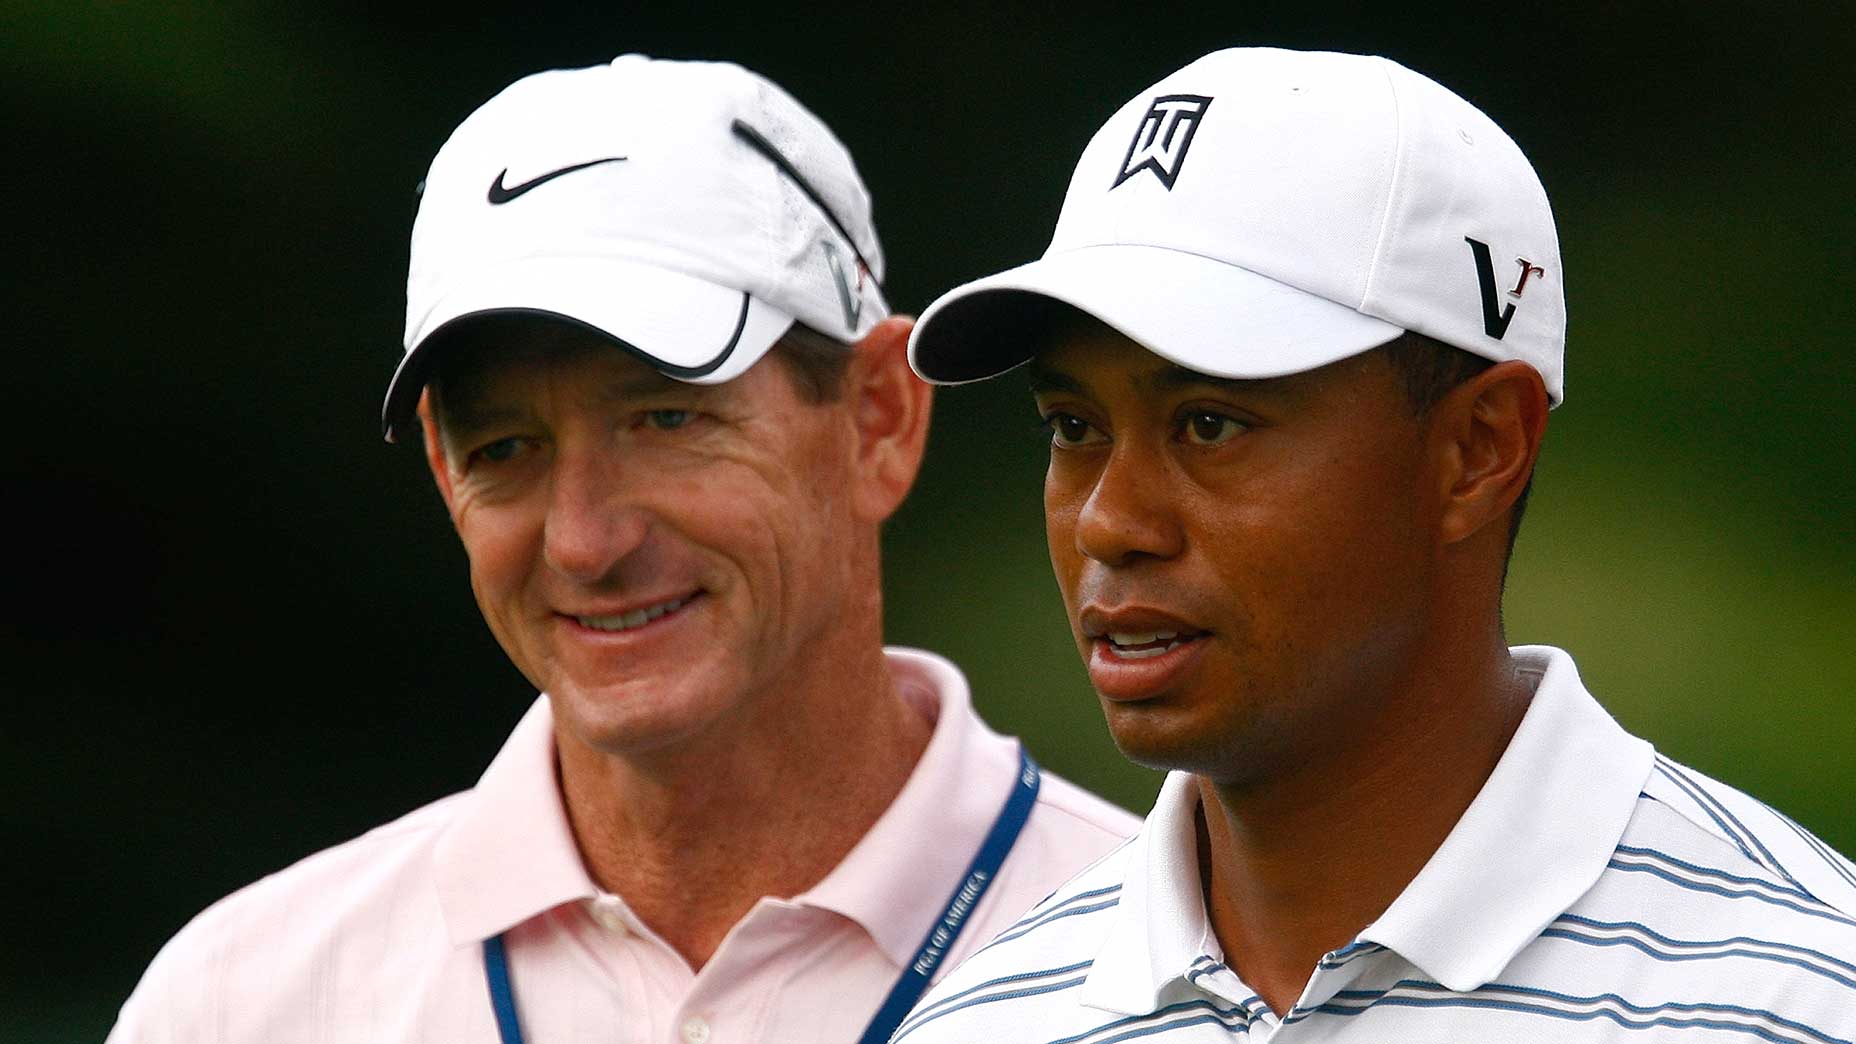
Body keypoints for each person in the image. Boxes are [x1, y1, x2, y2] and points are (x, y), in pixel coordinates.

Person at [107, 54, 1138, 1044]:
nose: (584, 541)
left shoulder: (1186, 973)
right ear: (439, 466)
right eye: (504, 448)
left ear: (876, 419)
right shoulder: (242, 1004)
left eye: (663, 419)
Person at [896, 47, 1856, 1043]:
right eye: (1072, 426)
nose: (1107, 521)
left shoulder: (1805, 996)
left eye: (1209, 423)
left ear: (1477, 449)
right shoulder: (982, 1020)